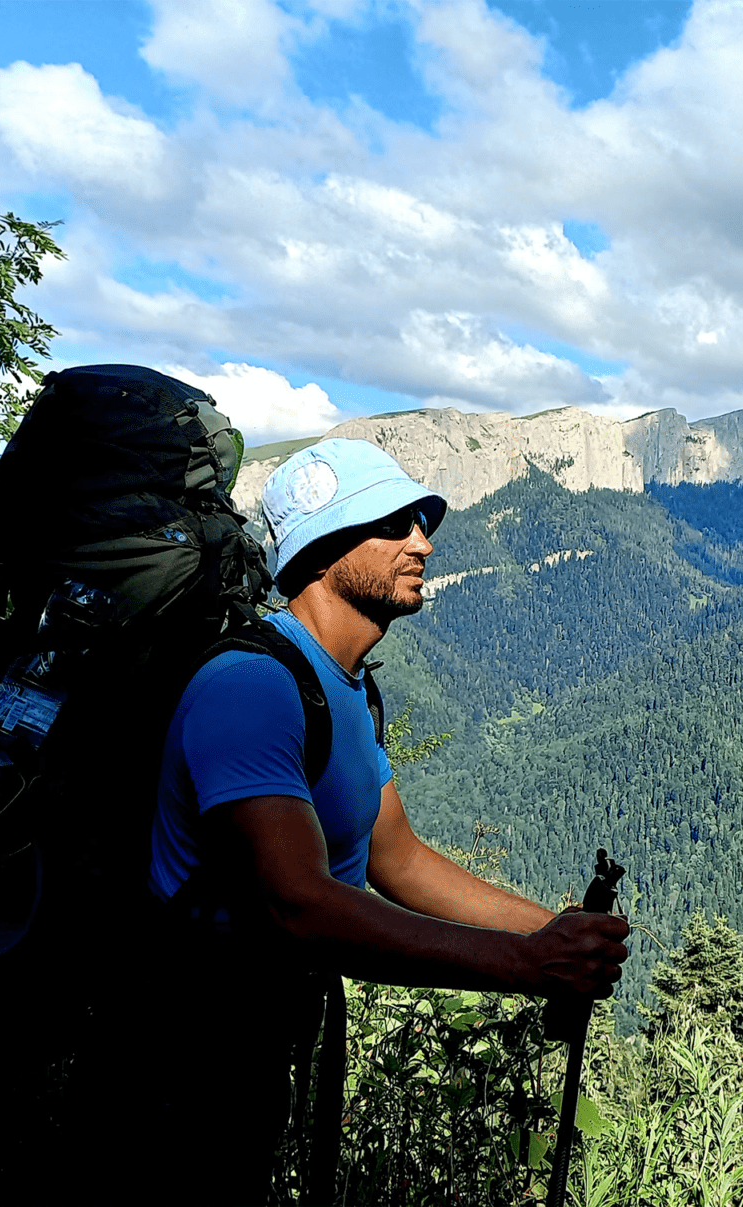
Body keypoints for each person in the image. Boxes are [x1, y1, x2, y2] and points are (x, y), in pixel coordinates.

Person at [139, 438, 631, 1204]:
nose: (423, 543)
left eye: (421, 524)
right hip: (178, 1054)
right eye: (396, 524)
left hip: (264, 1041)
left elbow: (395, 857)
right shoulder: (252, 686)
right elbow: (297, 903)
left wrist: (554, 932)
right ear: (323, 545)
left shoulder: (346, 688)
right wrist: (526, 967)